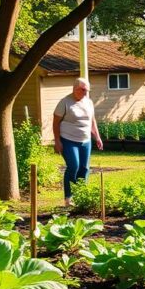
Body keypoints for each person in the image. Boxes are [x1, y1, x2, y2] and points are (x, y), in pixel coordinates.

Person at [53, 78, 103, 206]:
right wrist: (57, 141)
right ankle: (69, 198)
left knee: (84, 168)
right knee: (73, 166)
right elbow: (56, 123)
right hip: (68, 140)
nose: (86, 93)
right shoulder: (65, 102)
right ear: (75, 89)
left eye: (87, 90)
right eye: (84, 90)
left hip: (85, 140)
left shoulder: (89, 102)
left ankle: (81, 196)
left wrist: (97, 137)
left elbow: (92, 121)